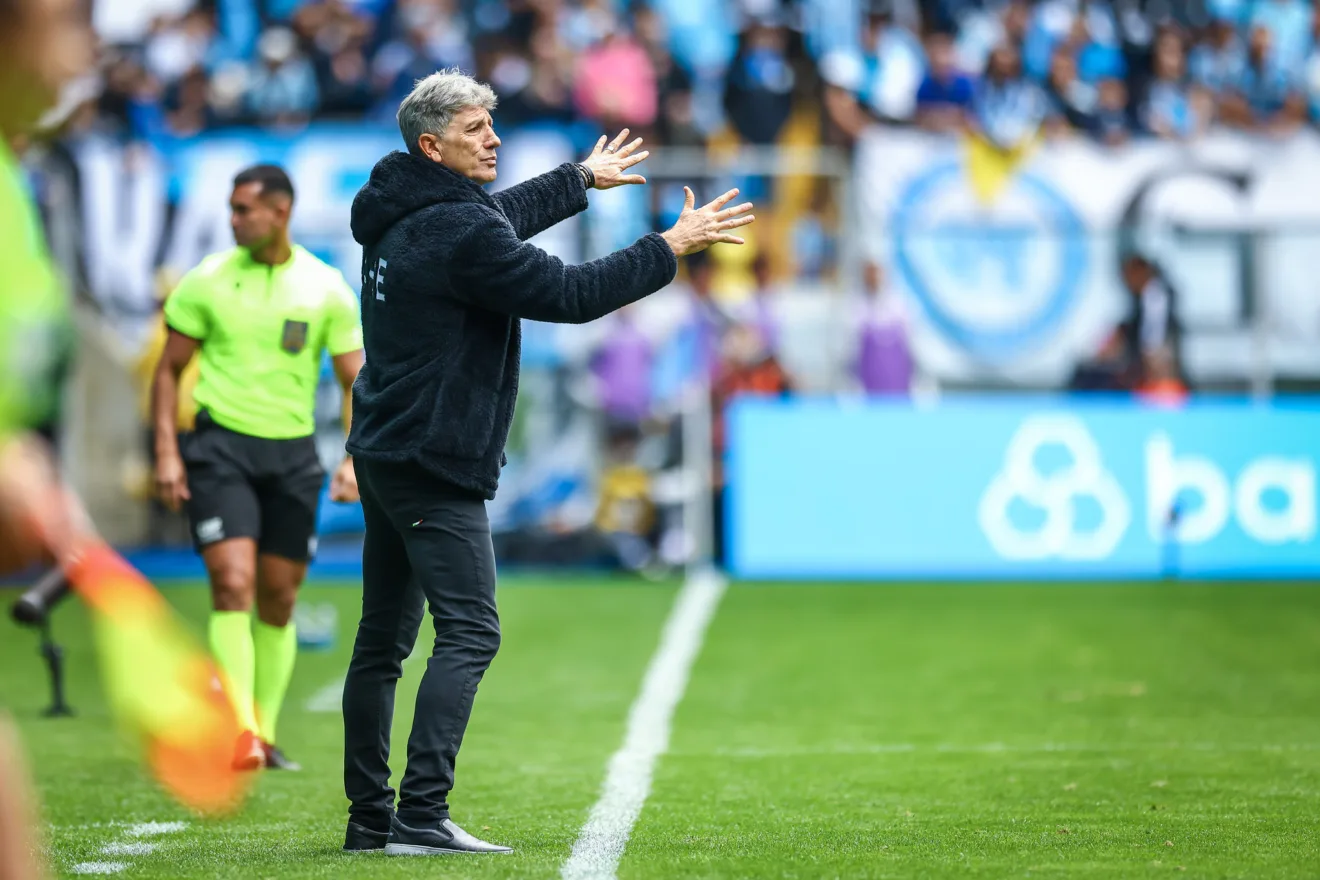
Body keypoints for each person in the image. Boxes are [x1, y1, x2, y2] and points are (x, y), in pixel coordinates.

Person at [341, 69, 754, 856]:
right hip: (436, 456)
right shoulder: (458, 231)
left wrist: (578, 180)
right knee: (470, 632)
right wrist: (667, 247)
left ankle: (370, 819)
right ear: (433, 146)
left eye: (492, 125)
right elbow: (568, 292)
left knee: (381, 643)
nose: (493, 138)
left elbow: (493, 217)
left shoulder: (404, 213)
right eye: (475, 130)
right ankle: (421, 816)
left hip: (389, 449)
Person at [151, 164, 365, 773]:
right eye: (232, 208)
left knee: (278, 598)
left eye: (245, 209)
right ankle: (241, 730)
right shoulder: (206, 281)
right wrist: (168, 450)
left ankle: (263, 734)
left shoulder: (324, 288)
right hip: (219, 449)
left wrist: (352, 457)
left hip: (293, 456)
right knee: (233, 584)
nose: (233, 220)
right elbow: (168, 370)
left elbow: (356, 381)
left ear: (281, 212)